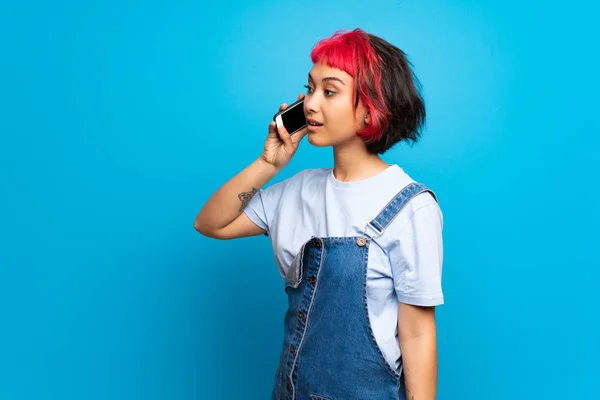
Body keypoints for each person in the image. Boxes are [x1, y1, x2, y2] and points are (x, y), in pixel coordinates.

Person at [194, 28, 444, 400]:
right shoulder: (296, 190)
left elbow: (418, 333)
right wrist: (268, 163)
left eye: (330, 91)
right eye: (310, 89)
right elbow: (210, 223)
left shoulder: (410, 206)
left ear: (370, 110)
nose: (310, 105)